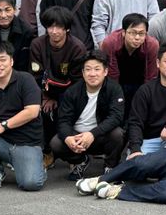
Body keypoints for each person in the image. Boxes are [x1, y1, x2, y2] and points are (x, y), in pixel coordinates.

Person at [0, 40, 47, 191]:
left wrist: (3, 126)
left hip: (27, 143)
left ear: (11, 61)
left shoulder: (25, 80)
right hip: (1, 141)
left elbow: (32, 111)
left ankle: (35, 167)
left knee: (31, 184)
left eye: (2, 59)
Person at [50, 50, 126, 181]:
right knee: (56, 143)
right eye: (88, 69)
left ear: (105, 71)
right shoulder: (72, 91)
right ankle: (80, 161)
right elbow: (63, 120)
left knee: (118, 134)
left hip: (100, 135)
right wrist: (68, 137)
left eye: (97, 69)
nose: (92, 74)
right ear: (83, 72)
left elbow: (116, 117)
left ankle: (110, 166)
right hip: (77, 136)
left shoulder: (114, 89)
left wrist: (92, 134)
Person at [30, 6, 87, 166]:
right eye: (50, 27)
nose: (54, 31)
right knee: (43, 112)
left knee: (65, 114)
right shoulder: (37, 44)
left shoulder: (77, 47)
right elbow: (36, 75)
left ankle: (74, 156)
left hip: (70, 92)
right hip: (45, 91)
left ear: (67, 28)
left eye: (59, 27)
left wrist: (58, 98)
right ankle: (47, 151)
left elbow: (77, 82)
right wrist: (46, 97)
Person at [101, 13, 159, 121]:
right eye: (133, 33)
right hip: (118, 80)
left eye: (141, 34)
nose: (137, 37)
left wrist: (146, 99)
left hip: (139, 80)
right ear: (123, 32)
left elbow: (151, 76)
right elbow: (112, 75)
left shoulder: (152, 44)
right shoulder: (110, 43)